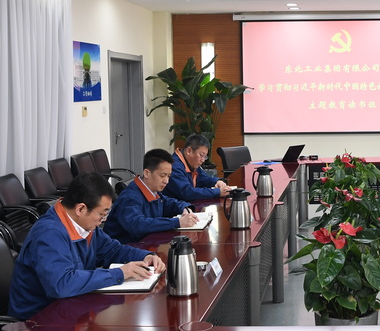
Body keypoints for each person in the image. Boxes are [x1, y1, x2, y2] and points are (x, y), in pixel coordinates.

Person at [8, 173, 166, 320]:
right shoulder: (49, 234)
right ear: (81, 209)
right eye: (102, 214)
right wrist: (119, 273)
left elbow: (112, 250)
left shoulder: (85, 225)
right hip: (37, 322)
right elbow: (62, 284)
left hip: (70, 307)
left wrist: (145, 256)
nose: (103, 220)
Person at [103, 148, 200, 244]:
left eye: (168, 176)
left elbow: (169, 203)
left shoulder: (153, 191)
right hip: (124, 248)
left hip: (146, 243)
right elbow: (137, 225)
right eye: (162, 175)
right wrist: (177, 222)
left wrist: (185, 208)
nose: (166, 181)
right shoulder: (129, 197)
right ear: (147, 173)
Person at [162, 133, 232, 201]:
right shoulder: (173, 165)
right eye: (201, 155)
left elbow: (203, 179)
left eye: (205, 157)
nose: (203, 160)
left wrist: (217, 181)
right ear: (189, 151)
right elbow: (187, 192)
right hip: (173, 207)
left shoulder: (191, 162)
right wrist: (217, 192)